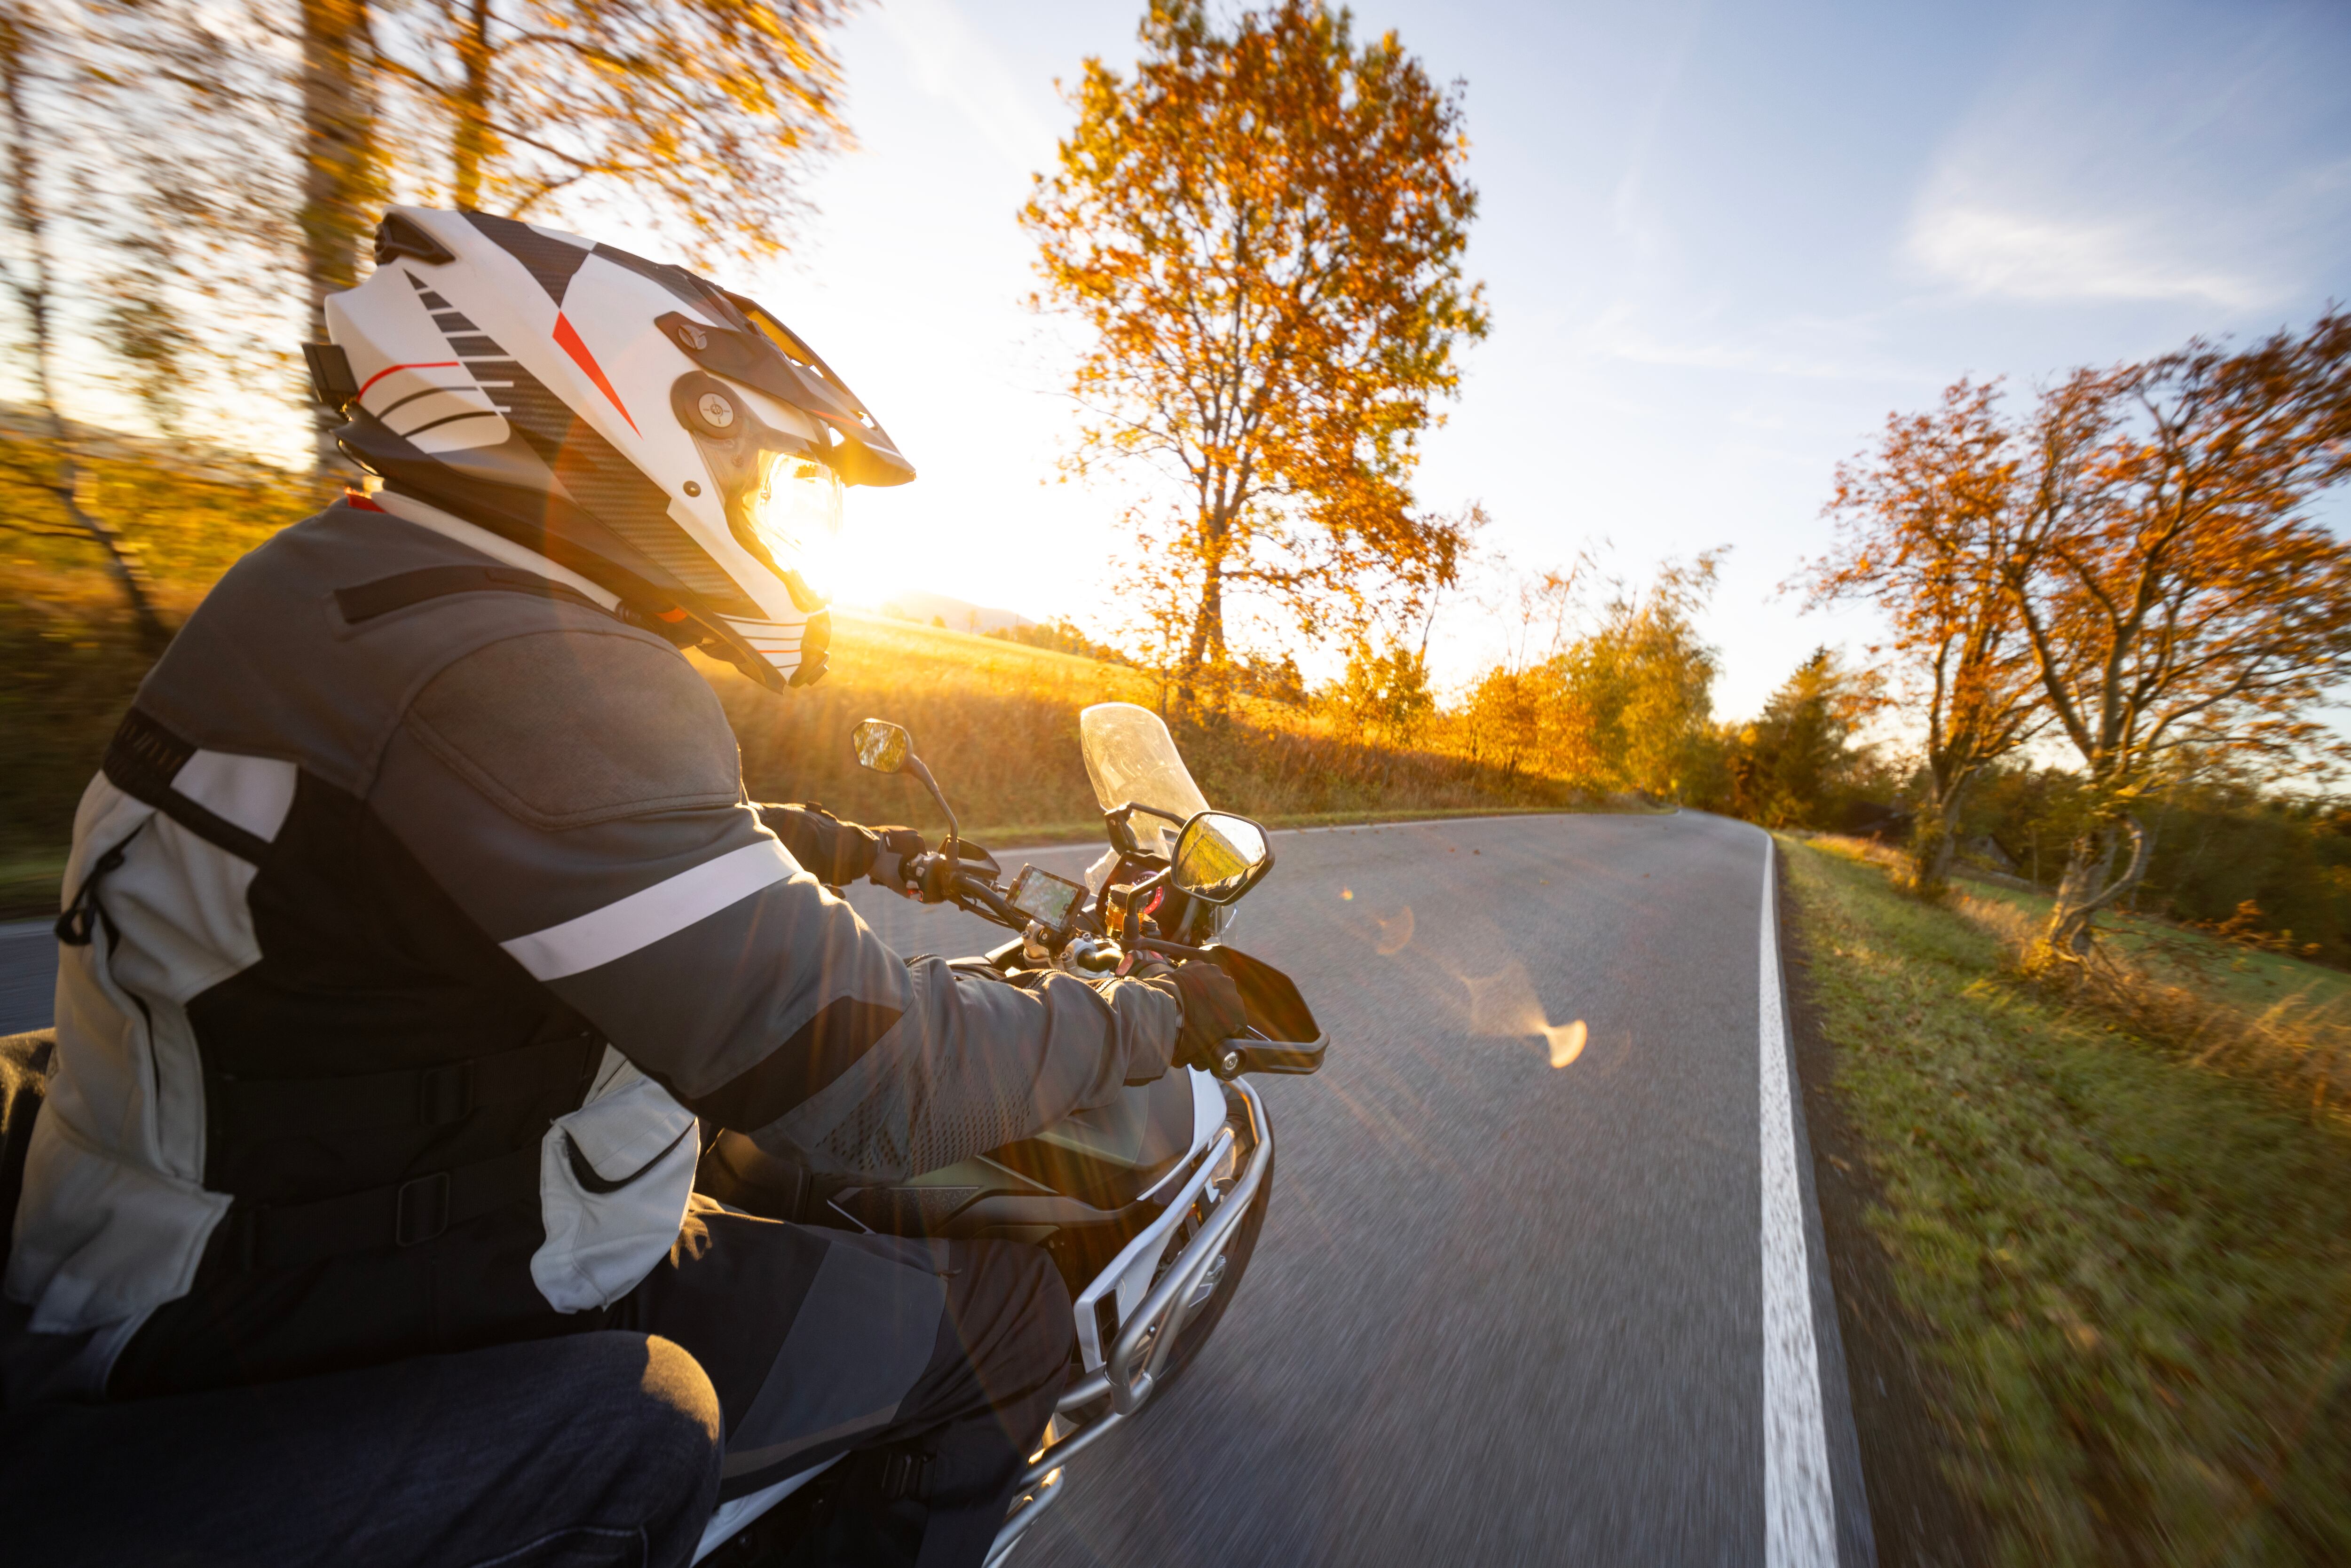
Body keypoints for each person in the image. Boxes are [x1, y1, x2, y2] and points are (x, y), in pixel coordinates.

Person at [0, 206, 1248, 1568]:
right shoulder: (527, 665)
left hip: (200, 1224)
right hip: (299, 1303)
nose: (773, 523)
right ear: (631, 420)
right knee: (998, 1323)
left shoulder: (368, 585)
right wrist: (1144, 1014)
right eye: (762, 478)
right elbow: (872, 1071)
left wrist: (859, 849)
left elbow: (520, 842)